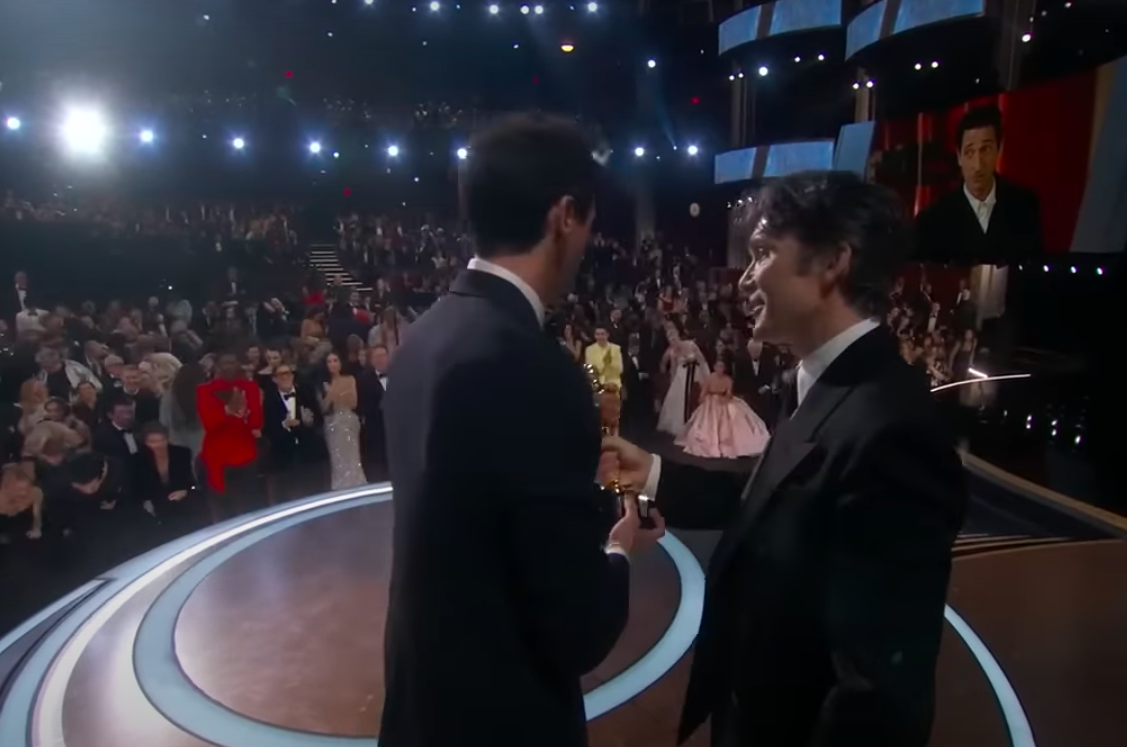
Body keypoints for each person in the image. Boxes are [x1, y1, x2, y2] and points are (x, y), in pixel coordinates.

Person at [603, 171, 967, 747]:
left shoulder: (894, 429)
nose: (745, 278)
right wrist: (653, 471)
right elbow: (780, 496)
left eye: (763, 254)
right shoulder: (819, 384)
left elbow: (877, 695)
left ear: (832, 263)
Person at [380, 114, 665, 747]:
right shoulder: (533, 366)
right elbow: (577, 627)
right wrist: (619, 550)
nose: (590, 241)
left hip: (423, 705)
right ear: (565, 214)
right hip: (503, 716)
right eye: (590, 222)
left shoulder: (422, 336)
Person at [915, 105, 1042, 264]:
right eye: (969, 152)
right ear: (959, 156)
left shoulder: (1024, 205)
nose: (978, 165)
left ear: (999, 150)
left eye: (985, 150)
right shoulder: (932, 220)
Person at [196, 352, 263, 519]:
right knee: (224, 509)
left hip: (245, 452)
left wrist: (247, 413)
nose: (229, 367)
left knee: (250, 505)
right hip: (218, 455)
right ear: (217, 367)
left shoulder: (250, 388)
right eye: (225, 363)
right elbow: (209, 424)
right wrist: (226, 411)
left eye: (232, 362)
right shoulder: (204, 391)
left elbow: (256, 423)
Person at [674, 356, 769, 459]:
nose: (720, 368)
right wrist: (702, 398)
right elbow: (704, 391)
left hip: (723, 399)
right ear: (714, 367)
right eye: (718, 366)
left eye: (722, 366)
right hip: (711, 400)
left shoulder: (728, 380)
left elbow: (729, 393)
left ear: (724, 368)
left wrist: (725, 399)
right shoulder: (710, 377)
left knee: (733, 414)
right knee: (707, 419)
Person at [319, 352, 365, 490]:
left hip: (349, 421)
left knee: (353, 458)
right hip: (332, 424)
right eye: (329, 361)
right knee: (337, 460)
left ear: (340, 362)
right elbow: (323, 407)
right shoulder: (322, 383)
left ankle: (358, 486)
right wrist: (333, 392)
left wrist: (338, 394)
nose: (333, 364)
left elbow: (353, 402)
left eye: (335, 360)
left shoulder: (350, 379)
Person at [656, 323, 709, 436]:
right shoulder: (672, 352)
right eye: (670, 339)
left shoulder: (691, 345)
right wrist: (672, 383)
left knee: (696, 397)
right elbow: (673, 370)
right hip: (682, 378)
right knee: (681, 401)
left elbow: (702, 361)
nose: (673, 341)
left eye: (674, 338)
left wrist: (706, 377)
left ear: (678, 336)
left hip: (696, 375)